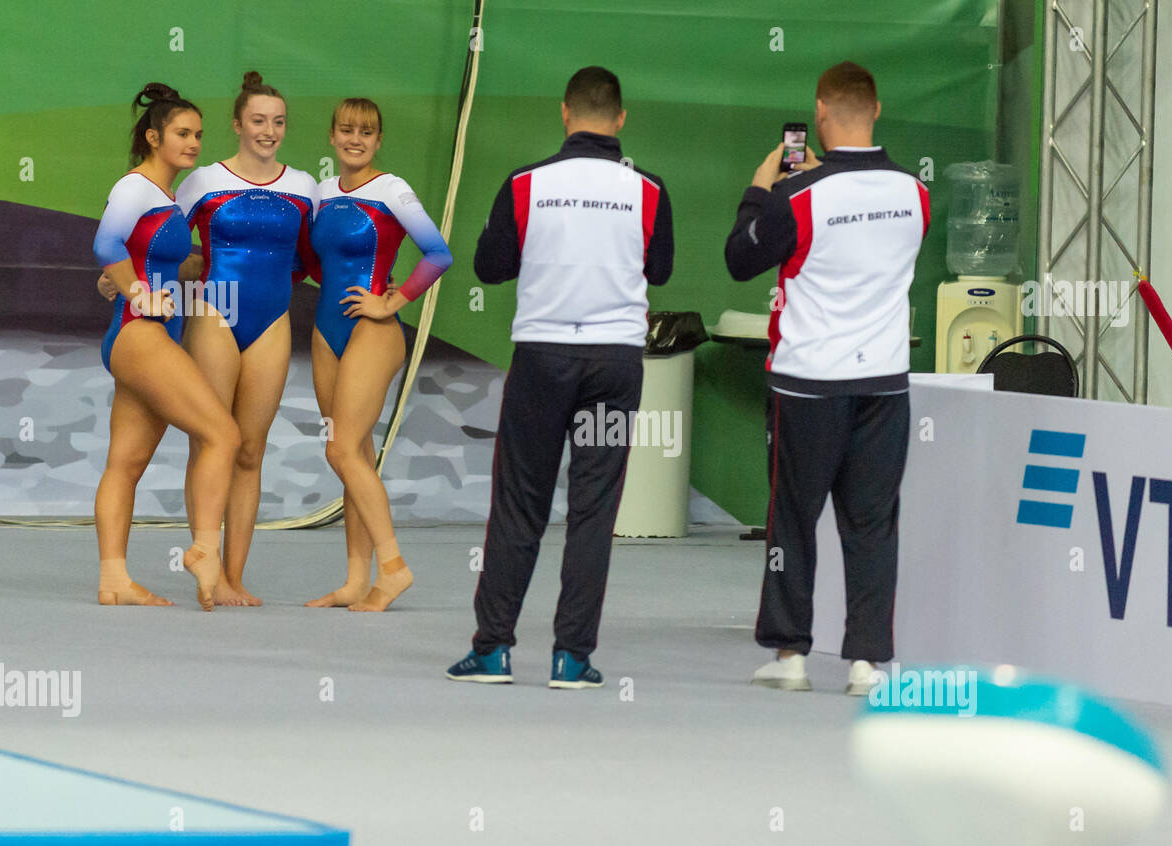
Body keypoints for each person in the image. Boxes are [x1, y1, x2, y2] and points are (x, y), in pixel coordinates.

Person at [446, 66, 673, 687]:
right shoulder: (648, 189)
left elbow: (490, 268)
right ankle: (573, 657)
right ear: (620, 119)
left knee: (520, 503)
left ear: (565, 114)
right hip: (614, 363)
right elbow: (662, 269)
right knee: (595, 508)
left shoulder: (525, 183)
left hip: (543, 362)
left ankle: (492, 650)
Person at [724, 61, 928, 694]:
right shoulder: (914, 193)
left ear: (820, 112)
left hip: (808, 382)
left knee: (793, 519)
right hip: (885, 382)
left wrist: (761, 189)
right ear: (877, 109)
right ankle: (867, 661)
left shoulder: (795, 197)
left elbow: (740, 259)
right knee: (872, 522)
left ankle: (791, 657)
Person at [91, 83, 241, 611]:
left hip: (141, 333)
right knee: (223, 433)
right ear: (154, 137)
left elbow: (140, 257)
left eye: (199, 134)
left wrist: (184, 269)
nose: (194, 142)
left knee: (126, 464)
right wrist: (135, 290)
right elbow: (105, 245)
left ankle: (114, 580)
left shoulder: (164, 196)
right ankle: (203, 549)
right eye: (182, 133)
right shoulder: (134, 187)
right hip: (139, 334)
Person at [172, 71, 319, 606]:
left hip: (272, 320)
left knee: (251, 451)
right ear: (237, 124)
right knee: (212, 440)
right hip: (217, 311)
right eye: (258, 120)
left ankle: (234, 577)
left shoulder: (304, 187)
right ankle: (204, 558)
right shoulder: (204, 180)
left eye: (278, 122)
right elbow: (164, 242)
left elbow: (312, 261)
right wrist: (130, 277)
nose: (269, 130)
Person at [305, 98, 453, 611]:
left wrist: (393, 299)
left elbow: (438, 253)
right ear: (331, 135)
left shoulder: (393, 190)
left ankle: (392, 568)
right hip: (327, 333)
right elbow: (311, 264)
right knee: (355, 455)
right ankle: (354, 579)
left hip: (373, 329)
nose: (355, 139)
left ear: (378, 140)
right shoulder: (320, 193)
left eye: (366, 131)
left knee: (341, 449)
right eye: (346, 129)